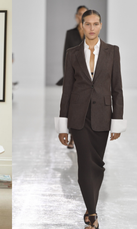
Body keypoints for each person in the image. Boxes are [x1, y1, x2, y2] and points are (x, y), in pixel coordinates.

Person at [54, 10, 127, 229]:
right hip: (79, 116)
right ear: (82, 25)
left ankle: (91, 207)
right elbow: (67, 90)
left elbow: (117, 88)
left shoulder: (112, 52)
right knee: (85, 163)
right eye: (88, 24)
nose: (92, 28)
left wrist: (118, 120)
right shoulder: (72, 53)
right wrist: (63, 124)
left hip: (103, 117)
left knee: (98, 165)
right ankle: (92, 213)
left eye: (96, 24)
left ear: (101, 25)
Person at [56, 5, 88, 150]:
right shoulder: (70, 33)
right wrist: (67, 76)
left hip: (88, 78)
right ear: (76, 16)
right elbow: (66, 56)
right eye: (80, 14)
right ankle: (72, 136)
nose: (82, 16)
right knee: (72, 108)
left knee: (86, 108)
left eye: (85, 14)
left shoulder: (92, 32)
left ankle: (79, 137)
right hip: (74, 77)